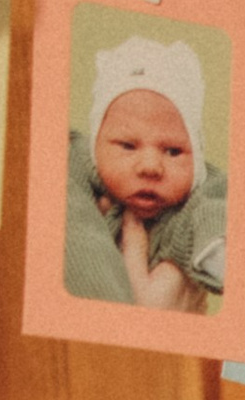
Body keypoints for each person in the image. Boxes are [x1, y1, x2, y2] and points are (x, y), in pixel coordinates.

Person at [63, 34, 226, 309]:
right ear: (96, 146)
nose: (150, 167)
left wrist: (218, 254)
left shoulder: (184, 212)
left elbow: (216, 204)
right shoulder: (82, 165)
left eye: (173, 151)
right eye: (128, 146)